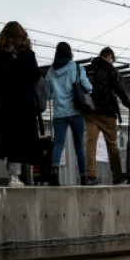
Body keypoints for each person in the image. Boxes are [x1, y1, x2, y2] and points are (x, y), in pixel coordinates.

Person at [0, 21, 41, 187]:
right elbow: (36, 77)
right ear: (23, 36)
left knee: (9, 136)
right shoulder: (29, 55)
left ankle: (7, 170)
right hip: (25, 103)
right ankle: (14, 176)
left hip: (4, 102)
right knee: (20, 138)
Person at [83, 47, 130, 185]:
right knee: (112, 144)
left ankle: (90, 175)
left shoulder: (87, 69)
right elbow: (119, 88)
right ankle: (116, 175)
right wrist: (127, 102)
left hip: (90, 112)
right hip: (107, 113)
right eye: (112, 60)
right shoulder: (110, 69)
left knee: (90, 143)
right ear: (109, 57)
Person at [44, 41, 91, 185]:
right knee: (79, 145)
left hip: (59, 114)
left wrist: (58, 92)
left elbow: (48, 94)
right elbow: (88, 88)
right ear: (70, 53)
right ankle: (83, 177)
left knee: (58, 144)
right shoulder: (77, 68)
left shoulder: (50, 72)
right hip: (76, 112)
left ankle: (54, 169)